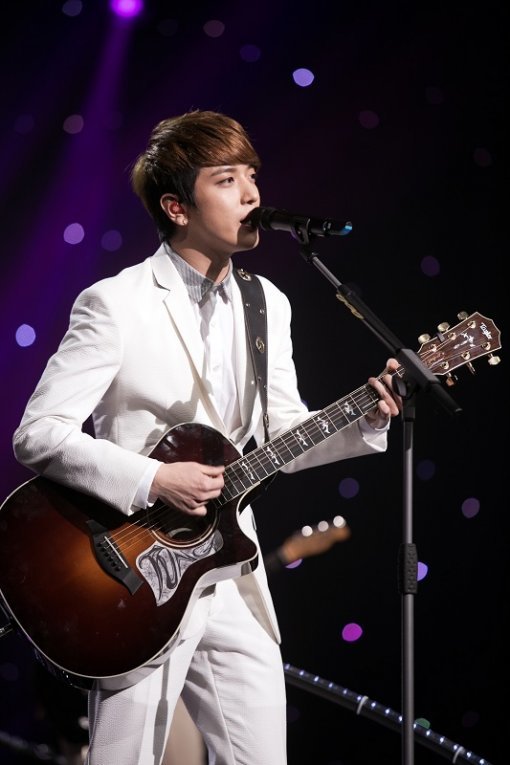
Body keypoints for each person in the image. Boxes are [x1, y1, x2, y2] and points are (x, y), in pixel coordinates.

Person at [12, 109, 401, 765]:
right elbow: (39, 433)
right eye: (227, 179)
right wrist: (155, 478)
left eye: (252, 174)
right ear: (177, 207)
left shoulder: (267, 303)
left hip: (229, 569)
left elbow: (283, 434)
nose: (251, 193)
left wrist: (367, 416)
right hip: (135, 575)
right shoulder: (117, 302)